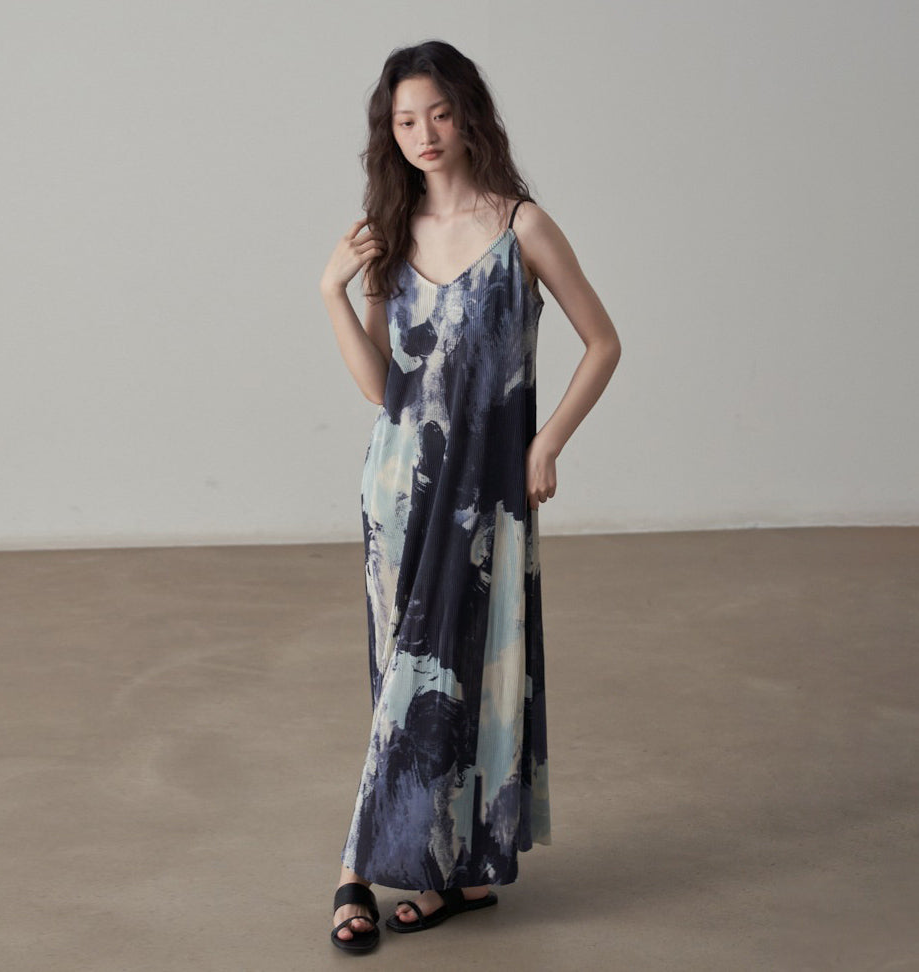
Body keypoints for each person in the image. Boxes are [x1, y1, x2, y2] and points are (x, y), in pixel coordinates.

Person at [319, 39, 621, 953]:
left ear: (468, 116)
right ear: (390, 132)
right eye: (406, 121)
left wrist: (547, 441)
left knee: (469, 676)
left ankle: (394, 870)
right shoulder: (389, 233)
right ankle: (417, 870)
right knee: (402, 685)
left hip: (486, 494)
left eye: (439, 114)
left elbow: (603, 342)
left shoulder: (522, 226)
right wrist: (332, 291)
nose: (424, 134)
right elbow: (382, 388)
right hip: (398, 489)